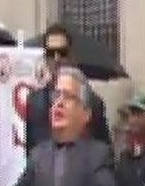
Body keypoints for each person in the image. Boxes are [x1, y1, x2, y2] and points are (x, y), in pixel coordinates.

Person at [25, 23, 110, 151]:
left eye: (62, 52)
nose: (57, 58)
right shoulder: (33, 101)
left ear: (71, 55)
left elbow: (104, 148)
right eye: (51, 53)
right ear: (45, 58)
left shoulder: (92, 101)